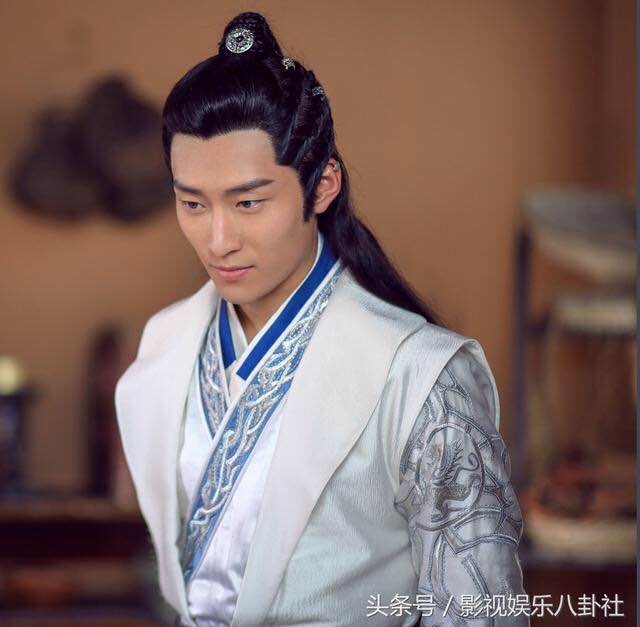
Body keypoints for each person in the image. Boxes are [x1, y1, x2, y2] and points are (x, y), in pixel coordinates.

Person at [115, 11, 529, 627]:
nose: (218, 240)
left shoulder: (418, 375)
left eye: (249, 202)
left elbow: (481, 611)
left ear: (322, 185)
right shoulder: (167, 342)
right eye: (192, 204)